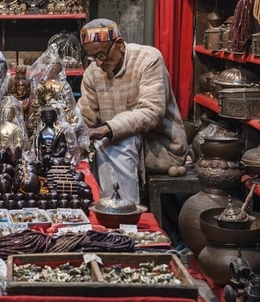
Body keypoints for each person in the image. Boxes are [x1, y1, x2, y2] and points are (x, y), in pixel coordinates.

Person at [77, 18, 187, 203]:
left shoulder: (148, 59)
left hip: (159, 148)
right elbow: (85, 116)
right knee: (97, 146)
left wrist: (106, 129)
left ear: (119, 44)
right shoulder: (93, 72)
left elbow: (151, 113)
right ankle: (103, 207)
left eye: (102, 55)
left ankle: (124, 213)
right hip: (115, 145)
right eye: (91, 57)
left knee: (119, 142)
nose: (97, 63)